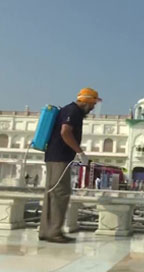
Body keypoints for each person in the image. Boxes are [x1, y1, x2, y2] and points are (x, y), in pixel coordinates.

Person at [39, 87, 101, 243]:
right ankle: (54, 232)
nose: (93, 107)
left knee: (52, 194)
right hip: (59, 158)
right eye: (93, 103)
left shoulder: (70, 110)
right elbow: (65, 132)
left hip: (55, 157)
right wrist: (80, 152)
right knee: (60, 193)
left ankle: (46, 231)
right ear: (87, 101)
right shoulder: (73, 112)